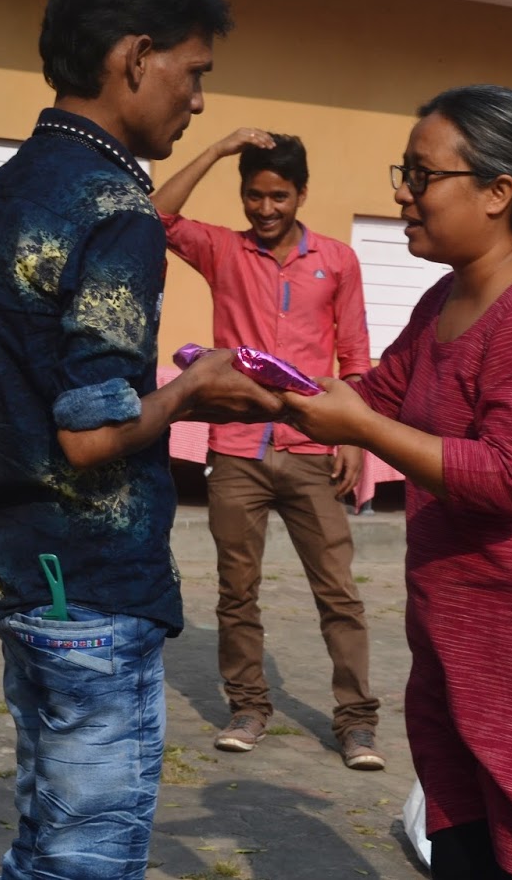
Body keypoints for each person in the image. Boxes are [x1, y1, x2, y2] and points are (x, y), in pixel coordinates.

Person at [0, 0, 283, 880]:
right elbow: (92, 435)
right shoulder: (116, 209)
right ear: (136, 57)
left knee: (44, 844)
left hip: (21, 570)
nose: (199, 99)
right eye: (194, 71)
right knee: (87, 859)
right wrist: (195, 388)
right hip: (94, 590)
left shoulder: (3, 192)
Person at [282, 85, 512, 879]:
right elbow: (376, 396)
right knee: (461, 855)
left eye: (422, 175)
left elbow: (508, 476)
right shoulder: (445, 299)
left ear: (496, 192)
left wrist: (362, 430)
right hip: (459, 638)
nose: (402, 193)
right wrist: (251, 384)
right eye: (405, 172)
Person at [151, 129, 384, 769]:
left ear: (301, 193)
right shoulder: (223, 250)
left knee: (338, 593)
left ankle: (357, 723)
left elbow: (356, 358)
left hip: (313, 449)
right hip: (237, 452)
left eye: (279, 196)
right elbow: (157, 216)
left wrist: (356, 439)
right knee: (237, 589)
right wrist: (217, 149)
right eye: (254, 195)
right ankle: (248, 707)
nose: (265, 209)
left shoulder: (337, 260)